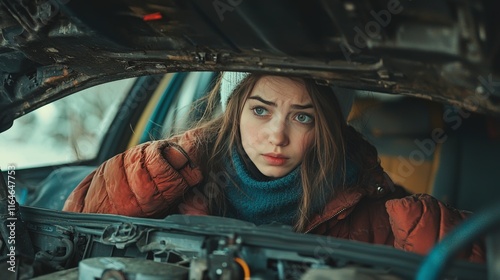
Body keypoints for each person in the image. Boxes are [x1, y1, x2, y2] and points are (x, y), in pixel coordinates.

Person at [63, 72, 484, 262]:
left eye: (303, 117)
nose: (277, 137)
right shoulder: (177, 176)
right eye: (261, 111)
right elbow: (75, 224)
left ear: (325, 129)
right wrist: (173, 157)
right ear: (234, 113)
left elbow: (477, 255)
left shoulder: (372, 208)